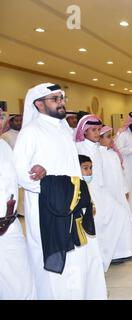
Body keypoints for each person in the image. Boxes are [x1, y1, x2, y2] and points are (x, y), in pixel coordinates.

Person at [14, 83, 107, 299]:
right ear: (39, 104)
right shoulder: (31, 132)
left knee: (82, 256)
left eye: (62, 98)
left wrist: (85, 200)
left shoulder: (64, 129)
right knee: (56, 266)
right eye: (55, 99)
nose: (61, 102)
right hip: (48, 209)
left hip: (73, 205)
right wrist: (47, 187)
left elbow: (74, 170)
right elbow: (19, 172)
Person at [75, 115, 132, 270]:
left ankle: (112, 254)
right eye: (93, 130)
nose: (96, 133)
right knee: (99, 225)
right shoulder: (79, 148)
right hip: (89, 193)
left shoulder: (98, 149)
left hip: (101, 192)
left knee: (118, 216)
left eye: (98, 129)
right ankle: (102, 258)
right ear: (84, 132)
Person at [98, 126, 132, 258]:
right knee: (116, 223)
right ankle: (117, 254)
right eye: (108, 137)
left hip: (119, 193)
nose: (112, 139)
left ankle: (130, 249)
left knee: (126, 221)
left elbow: (120, 173)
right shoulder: (99, 154)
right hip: (109, 195)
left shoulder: (112, 153)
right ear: (100, 139)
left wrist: (125, 189)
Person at [0, 106, 36, 299]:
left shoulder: (4, 145)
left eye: (0, 117)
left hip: (9, 225)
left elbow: (16, 176)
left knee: (22, 278)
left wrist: (35, 172)